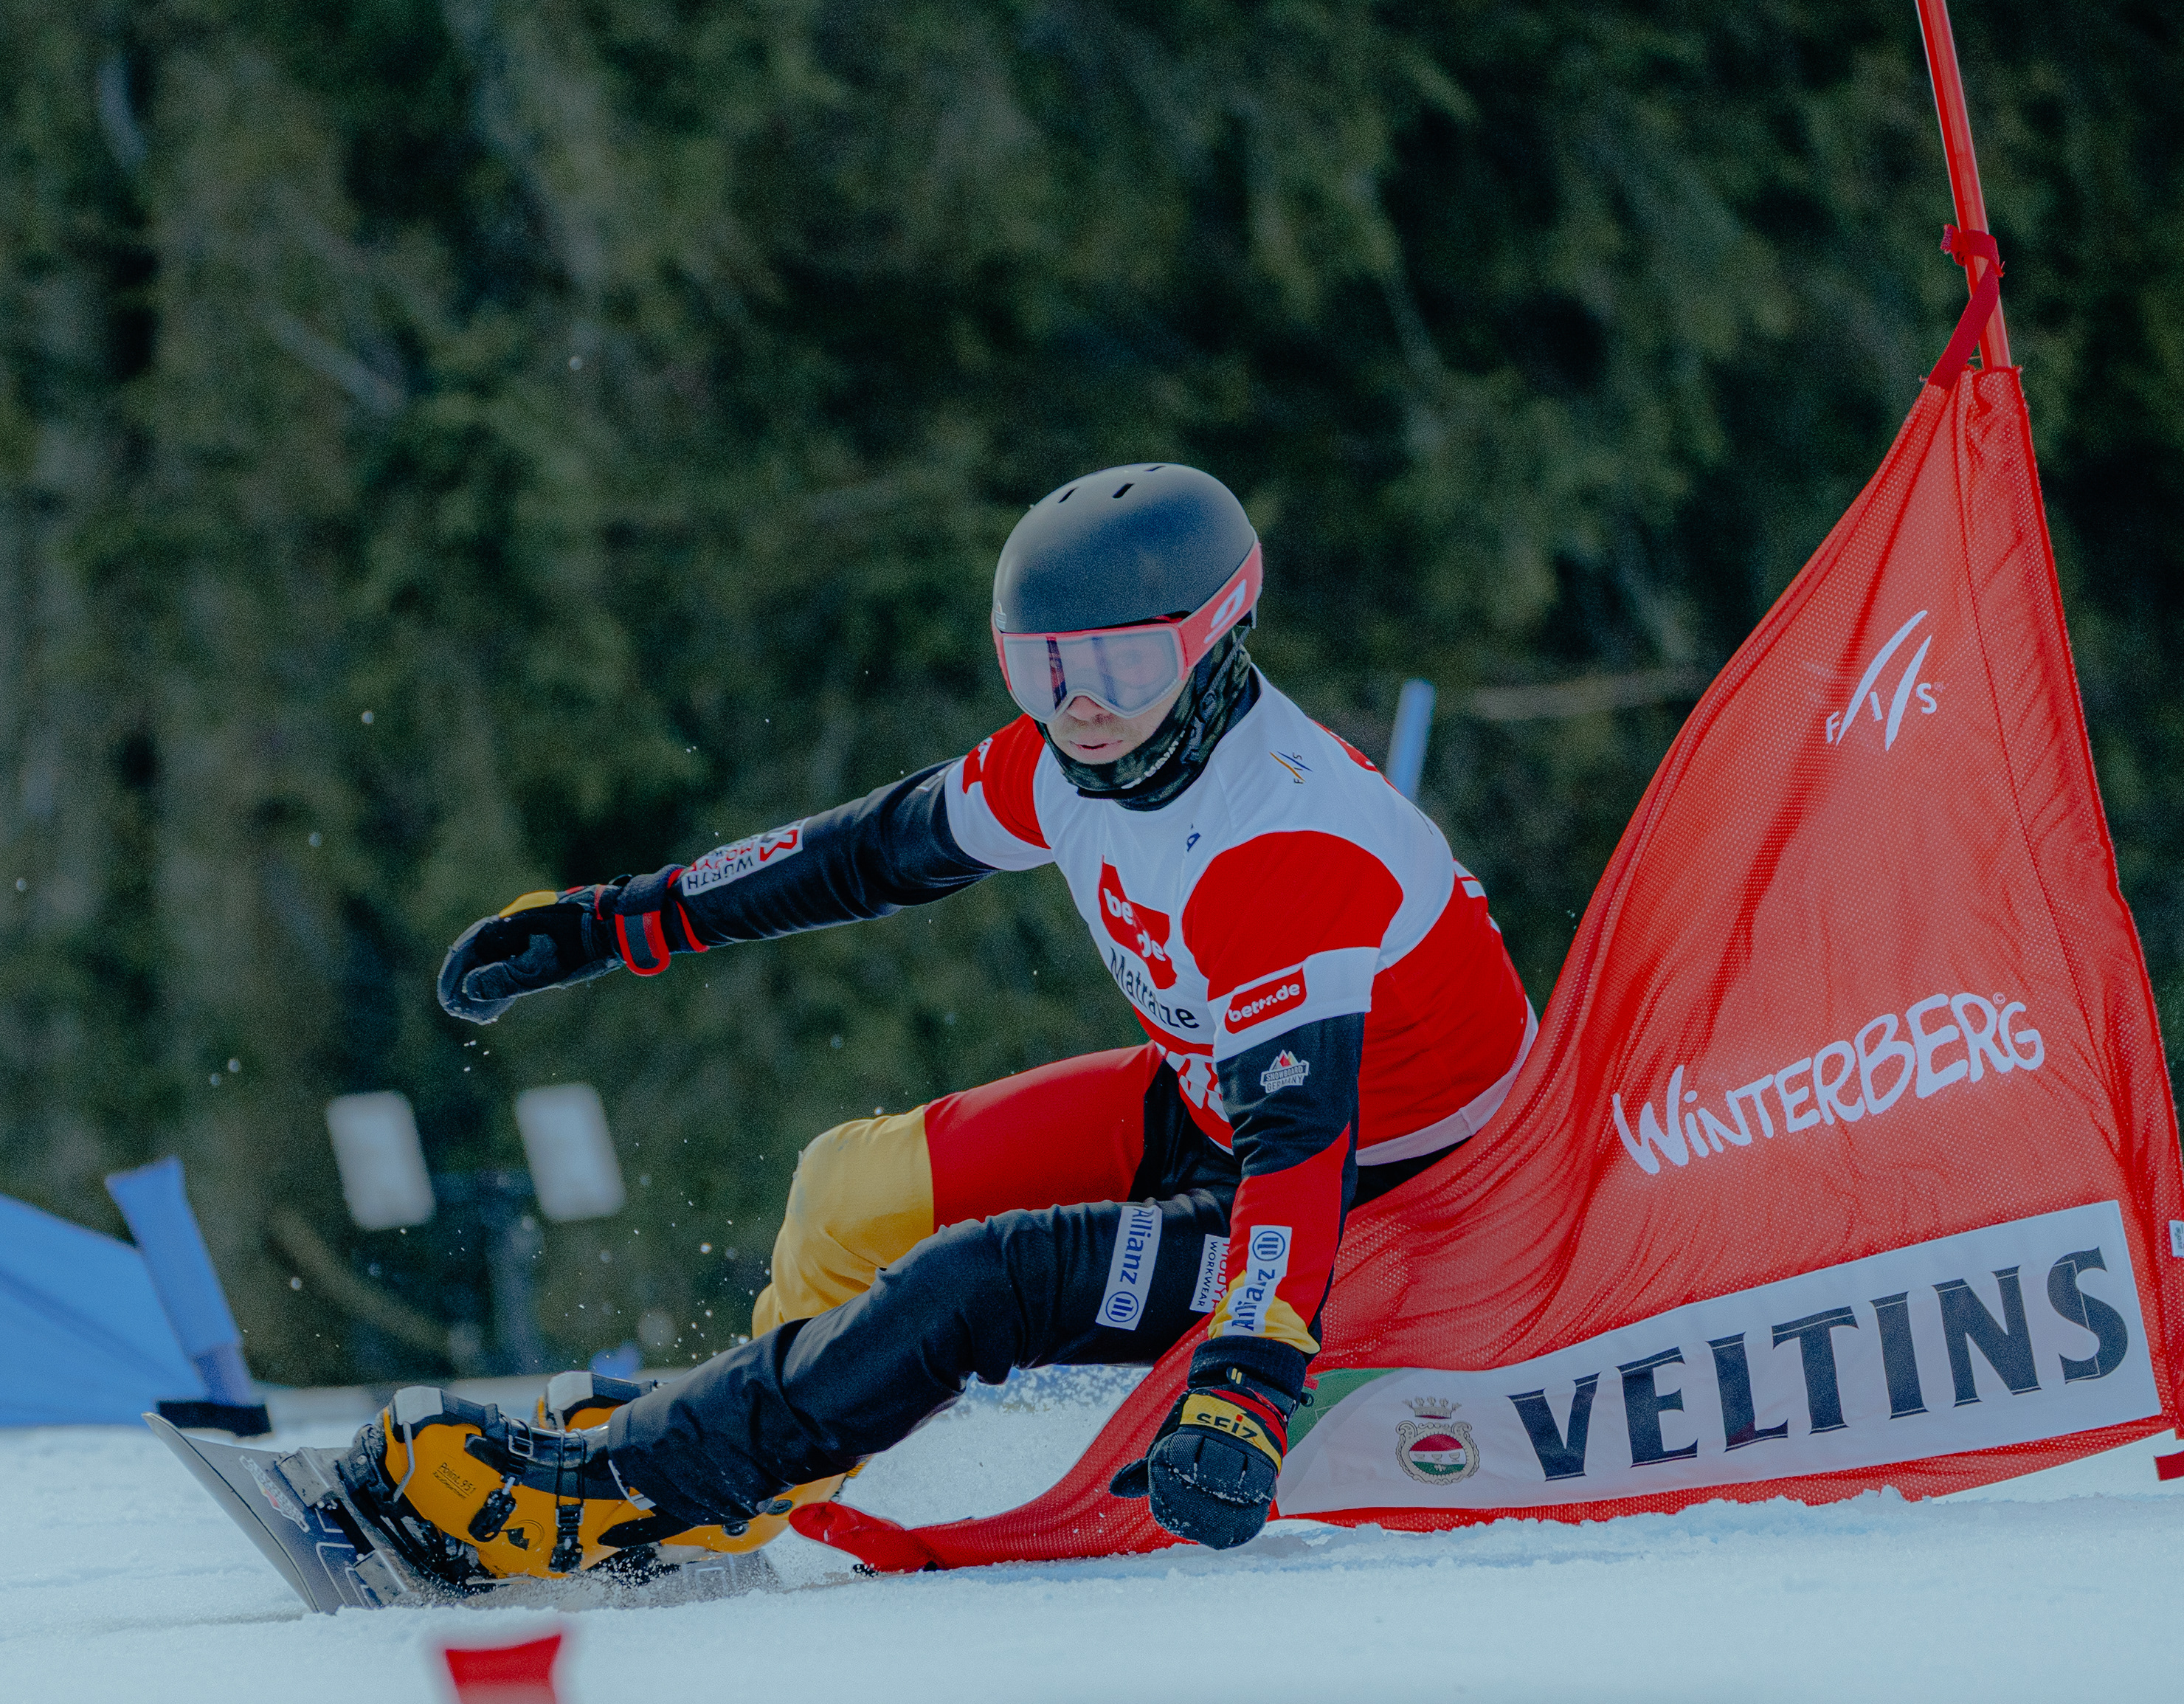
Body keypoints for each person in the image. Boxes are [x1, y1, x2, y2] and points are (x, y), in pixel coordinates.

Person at [339, 463, 1532, 1590]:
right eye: (1041, 671)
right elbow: (867, 854)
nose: (1081, 709)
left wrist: (1247, 1385)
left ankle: (632, 1487)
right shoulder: (1080, 763)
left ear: (1218, 636)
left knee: (979, 1285)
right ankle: (724, 1478)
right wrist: (614, 923)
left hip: (1390, 1214)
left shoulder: (1285, 843)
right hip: (1219, 1107)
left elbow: (1301, 1145)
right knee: (849, 1187)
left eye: (1123, 666)